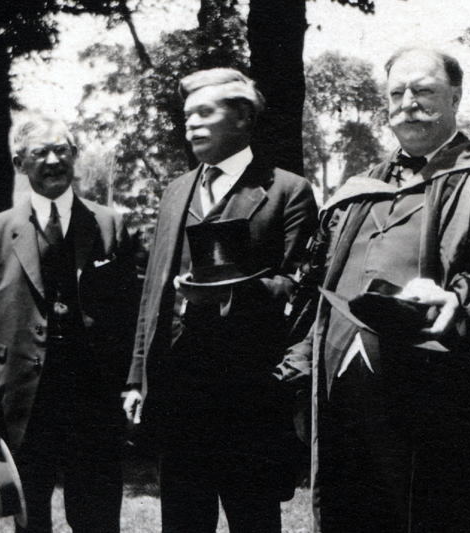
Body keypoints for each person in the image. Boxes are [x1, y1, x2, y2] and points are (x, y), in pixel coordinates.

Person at [276, 48, 470, 533]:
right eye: (397, 93)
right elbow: (311, 295)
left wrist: (462, 300)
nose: (408, 103)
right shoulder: (354, 195)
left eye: (424, 91)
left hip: (447, 407)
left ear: (455, 98)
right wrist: (296, 372)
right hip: (349, 405)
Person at [122, 68, 317, 533]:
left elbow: (300, 289)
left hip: (248, 395)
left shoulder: (287, 191)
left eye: (205, 113)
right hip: (179, 393)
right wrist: (136, 378)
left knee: (254, 519)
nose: (190, 123)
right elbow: (152, 294)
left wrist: (238, 289)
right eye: (187, 115)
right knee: (183, 521)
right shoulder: (175, 191)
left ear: (243, 118)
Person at [0, 115, 137, 533]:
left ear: (75, 157)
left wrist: (132, 383)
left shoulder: (109, 223)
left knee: (97, 518)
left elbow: (132, 316)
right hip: (23, 399)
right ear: (19, 162)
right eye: (40, 152)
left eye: (62, 149)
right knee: (29, 516)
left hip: (93, 397)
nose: (53, 159)